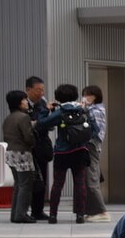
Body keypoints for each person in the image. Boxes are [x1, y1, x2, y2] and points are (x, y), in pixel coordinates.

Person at [37, 83, 95, 224]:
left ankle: (53, 215)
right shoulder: (83, 110)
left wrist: (46, 110)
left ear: (58, 97)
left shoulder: (61, 111)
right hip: (81, 151)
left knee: (57, 184)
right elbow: (93, 128)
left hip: (62, 152)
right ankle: (80, 215)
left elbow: (42, 123)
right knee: (80, 184)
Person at [1, 90, 37, 224]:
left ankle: (15, 214)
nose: (27, 102)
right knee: (25, 185)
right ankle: (21, 214)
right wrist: (34, 139)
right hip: (22, 153)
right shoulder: (23, 117)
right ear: (18, 102)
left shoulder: (9, 118)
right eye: (24, 100)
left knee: (18, 185)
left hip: (10, 153)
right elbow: (28, 138)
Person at [81, 85, 110, 222]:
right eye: (84, 94)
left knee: (91, 179)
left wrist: (83, 110)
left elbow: (95, 131)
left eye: (88, 95)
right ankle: (93, 211)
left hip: (92, 146)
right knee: (90, 178)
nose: (85, 97)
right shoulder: (93, 109)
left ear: (95, 96)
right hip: (92, 146)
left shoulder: (96, 110)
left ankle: (101, 211)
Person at [25, 76, 52, 220]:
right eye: (38, 90)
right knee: (27, 180)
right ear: (28, 90)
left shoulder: (43, 102)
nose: (41, 93)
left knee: (42, 178)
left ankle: (38, 210)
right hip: (28, 146)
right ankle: (23, 210)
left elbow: (47, 122)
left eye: (42, 89)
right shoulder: (22, 103)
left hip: (41, 145)